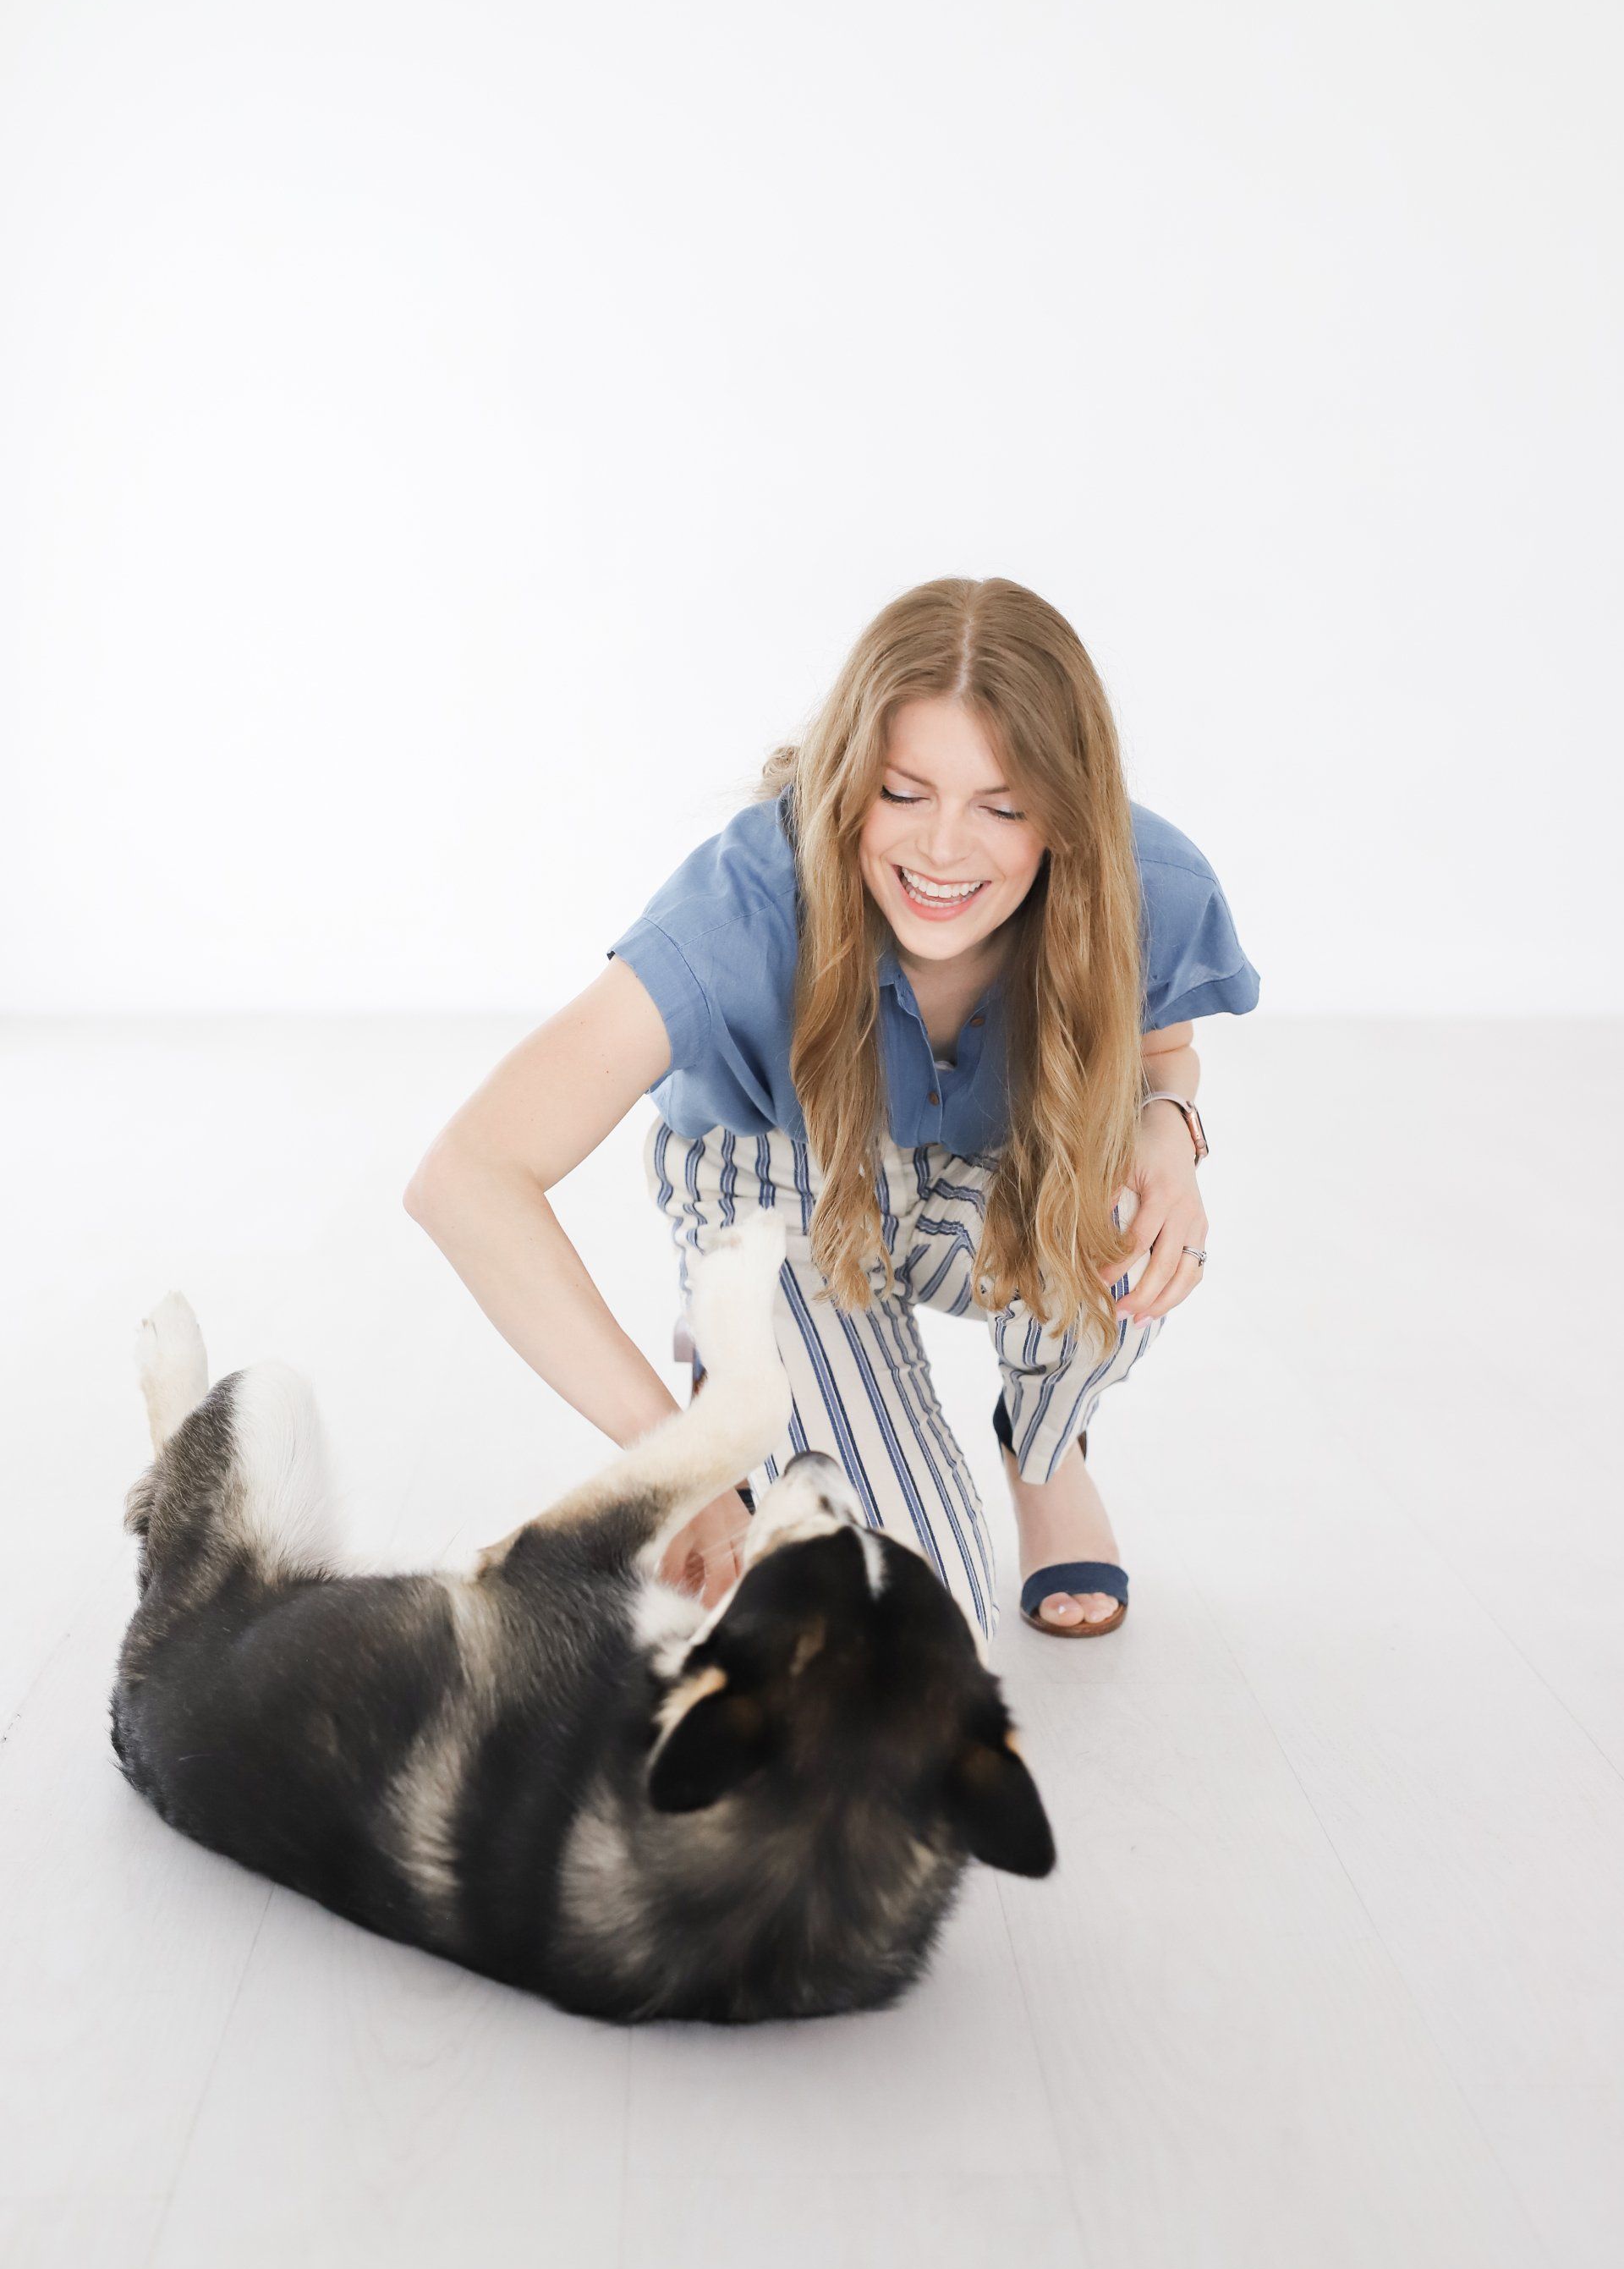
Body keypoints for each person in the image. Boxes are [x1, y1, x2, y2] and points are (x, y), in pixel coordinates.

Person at [404, 576, 1259, 1644]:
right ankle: (751, 1361)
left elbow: (1162, 1052)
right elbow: (467, 1176)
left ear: (1068, 811)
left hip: (997, 1171)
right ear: (848, 780)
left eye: (1002, 806)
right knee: (917, 1629)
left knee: (1125, 1221)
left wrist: (1167, 1127)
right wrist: (678, 1465)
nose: (945, 850)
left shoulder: (1149, 880)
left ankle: (1045, 1453)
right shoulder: (739, 908)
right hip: (788, 1187)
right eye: (905, 793)